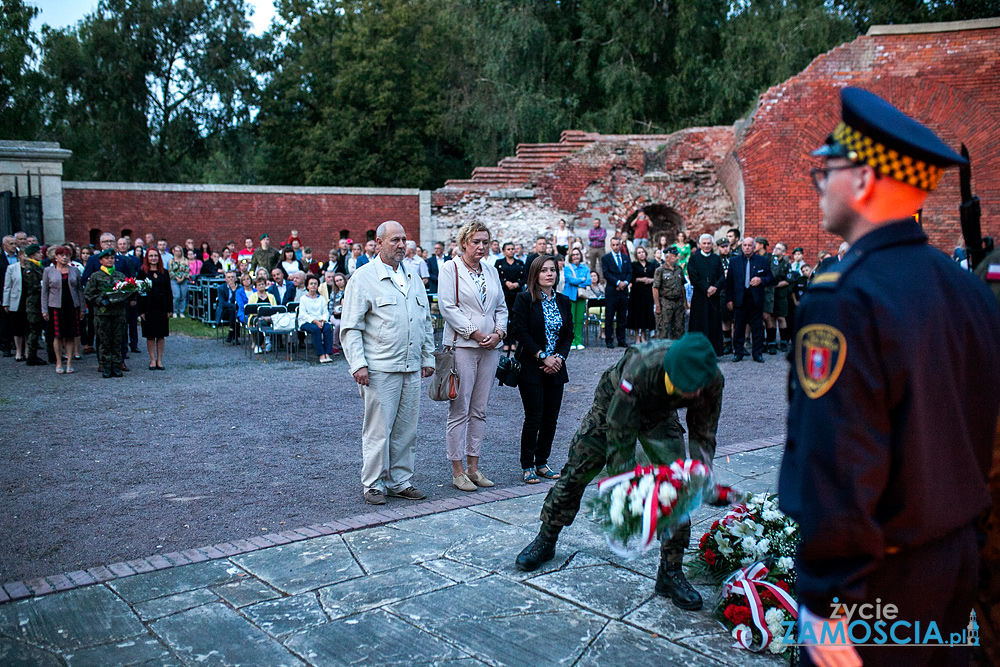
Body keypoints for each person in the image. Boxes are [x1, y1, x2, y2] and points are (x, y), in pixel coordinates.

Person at [779, 87, 1000, 667]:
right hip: (953, 564)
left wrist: (828, 611)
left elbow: (838, 468)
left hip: (878, 586)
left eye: (826, 169)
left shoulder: (845, 298)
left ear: (865, 179)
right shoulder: (971, 292)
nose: (819, 182)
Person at [514, 334, 724, 610]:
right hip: (612, 407)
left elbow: (704, 434)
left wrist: (698, 474)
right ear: (672, 375)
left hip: (661, 417)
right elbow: (619, 433)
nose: (696, 395)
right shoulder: (640, 367)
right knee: (577, 472)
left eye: (699, 388)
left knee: (677, 484)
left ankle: (670, 571)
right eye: (689, 389)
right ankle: (547, 537)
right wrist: (624, 487)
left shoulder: (711, 380)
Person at [340, 220, 435, 506]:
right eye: (394, 240)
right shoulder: (363, 277)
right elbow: (351, 326)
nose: (400, 245)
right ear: (378, 243)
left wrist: (428, 356)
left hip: (411, 366)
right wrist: (358, 364)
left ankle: (400, 481)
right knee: (378, 430)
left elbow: (425, 322)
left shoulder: (414, 277)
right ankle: (373, 484)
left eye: (403, 240)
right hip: (380, 368)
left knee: (407, 429)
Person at [437, 221, 507, 491]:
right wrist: (475, 333)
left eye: (485, 242)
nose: (481, 247)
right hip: (463, 346)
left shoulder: (491, 270)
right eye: (476, 241)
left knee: (480, 409)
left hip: (490, 347)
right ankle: (457, 470)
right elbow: (448, 307)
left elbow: (501, 306)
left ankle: (473, 467)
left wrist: (499, 333)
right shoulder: (450, 269)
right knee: (459, 408)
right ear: (464, 242)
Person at [511, 256, 573, 484]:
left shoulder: (564, 301)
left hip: (557, 367)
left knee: (551, 419)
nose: (550, 274)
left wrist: (558, 358)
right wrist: (543, 356)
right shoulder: (524, 299)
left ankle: (542, 462)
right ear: (535, 274)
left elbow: (568, 334)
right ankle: (527, 464)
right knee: (534, 417)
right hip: (532, 367)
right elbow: (519, 331)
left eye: (553, 270)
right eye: (544, 270)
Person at [725, 236, 772, 362]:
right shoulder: (734, 261)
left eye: (750, 245)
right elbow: (729, 282)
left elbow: (771, 278)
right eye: (745, 245)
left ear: (754, 247)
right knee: (739, 327)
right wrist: (729, 299)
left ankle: (757, 354)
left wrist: (761, 280)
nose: (747, 247)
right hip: (739, 299)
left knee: (757, 328)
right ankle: (738, 352)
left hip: (755, 300)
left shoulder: (762, 261)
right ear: (742, 247)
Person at [84, 249, 129, 378]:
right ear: (101, 261)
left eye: (112, 258)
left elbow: (126, 290)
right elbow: (88, 293)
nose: (110, 260)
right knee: (104, 340)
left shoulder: (120, 275)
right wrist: (99, 300)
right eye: (107, 258)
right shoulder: (96, 276)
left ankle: (116, 365)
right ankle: (106, 366)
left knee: (117, 340)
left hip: (118, 312)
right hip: (102, 313)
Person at [41, 246, 84, 374]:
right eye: (62, 255)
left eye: (67, 255)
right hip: (55, 306)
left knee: (70, 335)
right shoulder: (48, 271)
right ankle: (59, 361)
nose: (64, 258)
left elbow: (80, 291)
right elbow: (44, 292)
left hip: (71, 305)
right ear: (56, 257)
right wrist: (44, 309)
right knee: (57, 336)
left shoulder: (75, 271)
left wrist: (82, 307)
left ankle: (70, 363)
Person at [686, 233, 725, 355]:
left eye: (709, 243)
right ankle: (697, 352)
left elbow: (721, 276)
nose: (707, 246)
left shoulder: (716, 259)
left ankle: (713, 352)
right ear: (699, 245)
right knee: (699, 324)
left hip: (714, 297)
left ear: (712, 245)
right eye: (704, 243)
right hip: (700, 296)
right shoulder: (694, 259)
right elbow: (693, 276)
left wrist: (714, 288)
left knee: (713, 324)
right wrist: (706, 288)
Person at [137, 247, 171, 370]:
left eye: (155, 256)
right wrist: (140, 311)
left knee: (161, 335)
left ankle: (160, 360)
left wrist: (169, 309)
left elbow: (168, 291)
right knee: (150, 335)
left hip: (161, 307)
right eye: (150, 256)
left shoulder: (164, 272)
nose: (153, 258)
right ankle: (152, 359)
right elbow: (139, 292)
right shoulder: (142, 273)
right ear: (147, 258)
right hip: (148, 308)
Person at [17, 244, 46, 366]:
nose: (41, 254)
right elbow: (32, 285)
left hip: (39, 300)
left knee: (38, 328)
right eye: (38, 253)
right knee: (34, 329)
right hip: (34, 302)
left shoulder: (38, 266)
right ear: (33, 254)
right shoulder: (30, 267)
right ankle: (31, 355)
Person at [600, 237, 631, 348]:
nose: (616, 247)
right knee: (609, 317)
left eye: (618, 244)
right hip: (612, 291)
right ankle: (609, 340)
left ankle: (621, 339)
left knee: (622, 317)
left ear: (620, 245)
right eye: (613, 245)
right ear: (611, 245)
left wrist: (625, 283)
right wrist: (618, 283)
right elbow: (606, 273)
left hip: (623, 292)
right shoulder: (606, 258)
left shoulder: (625, 257)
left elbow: (629, 272)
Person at [495, 242, 525, 351]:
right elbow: (496, 276)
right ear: (504, 251)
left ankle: (513, 342)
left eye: (512, 249)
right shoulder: (499, 263)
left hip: (516, 294)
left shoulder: (520, 263)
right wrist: (505, 282)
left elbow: (525, 277)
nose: (511, 251)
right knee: (504, 317)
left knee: (515, 318)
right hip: (504, 293)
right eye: (508, 249)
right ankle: (505, 341)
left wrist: (518, 284)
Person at [298, 274, 335, 363]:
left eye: (315, 283)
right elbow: (303, 314)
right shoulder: (303, 299)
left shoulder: (321, 299)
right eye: (311, 284)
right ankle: (321, 354)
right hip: (307, 322)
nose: (313, 285)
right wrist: (314, 321)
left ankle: (328, 353)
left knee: (327, 328)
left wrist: (322, 320)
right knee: (316, 329)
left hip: (321, 321)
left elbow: (325, 312)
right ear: (307, 286)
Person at [653, 246, 686, 340]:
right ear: (667, 257)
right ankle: (662, 353)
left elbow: (682, 285)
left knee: (679, 328)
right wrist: (657, 305)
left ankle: (677, 351)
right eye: (674, 256)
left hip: (678, 302)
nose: (677, 258)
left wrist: (685, 301)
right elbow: (655, 288)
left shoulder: (679, 269)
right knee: (663, 329)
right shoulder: (660, 270)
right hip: (665, 302)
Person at [561, 248, 590, 351]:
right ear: (570, 257)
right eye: (573, 255)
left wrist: (578, 281)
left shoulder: (585, 268)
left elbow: (589, 281)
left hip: (581, 297)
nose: (575, 256)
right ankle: (571, 341)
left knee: (579, 320)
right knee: (571, 320)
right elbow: (570, 280)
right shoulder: (567, 268)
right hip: (570, 296)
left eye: (577, 254)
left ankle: (579, 341)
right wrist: (582, 279)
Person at [626, 245, 657, 344]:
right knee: (636, 314)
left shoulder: (651, 265)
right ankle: (637, 337)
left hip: (647, 292)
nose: (641, 254)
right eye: (639, 252)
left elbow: (656, 277)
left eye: (642, 252)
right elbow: (630, 278)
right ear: (636, 255)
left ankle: (643, 336)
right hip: (636, 293)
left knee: (645, 314)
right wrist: (640, 279)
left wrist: (650, 280)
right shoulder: (633, 265)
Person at [767, 242, 792, 353]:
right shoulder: (770, 261)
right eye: (775, 248)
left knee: (781, 318)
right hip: (770, 295)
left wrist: (774, 285)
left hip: (781, 294)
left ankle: (783, 341)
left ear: (783, 252)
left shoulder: (786, 264)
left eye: (779, 249)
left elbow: (788, 280)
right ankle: (771, 341)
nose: (775, 250)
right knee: (771, 318)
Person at [247, 276, 277, 354]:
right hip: (255, 316)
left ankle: (265, 341)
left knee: (269, 322)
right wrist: (262, 317)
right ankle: (260, 344)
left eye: (262, 284)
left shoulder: (271, 296)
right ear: (256, 286)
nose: (261, 286)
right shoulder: (253, 296)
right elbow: (250, 309)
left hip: (269, 317)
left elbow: (274, 309)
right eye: (259, 285)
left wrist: (269, 317)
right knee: (260, 323)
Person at [0, 235, 17, 357]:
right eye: (11, 244)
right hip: (3, 293)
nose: (14, 246)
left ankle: (17, 344)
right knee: (4, 321)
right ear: (4, 246)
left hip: (17, 293)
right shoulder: (1, 259)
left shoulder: (19, 258)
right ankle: (5, 345)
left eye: (14, 243)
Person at [716, 238, 734, 354]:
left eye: (726, 246)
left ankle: (737, 343)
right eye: (722, 247)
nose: (725, 248)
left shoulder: (735, 258)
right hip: (722, 291)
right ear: (718, 247)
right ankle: (727, 343)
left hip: (734, 291)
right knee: (726, 319)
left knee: (737, 319)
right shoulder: (716, 260)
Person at [215, 270, 240, 343]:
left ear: (235, 278)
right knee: (234, 309)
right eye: (229, 277)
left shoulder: (239, 288)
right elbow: (222, 303)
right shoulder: (221, 288)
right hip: (224, 311)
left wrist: (234, 290)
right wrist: (233, 306)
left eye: (232, 277)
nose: (231, 279)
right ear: (225, 279)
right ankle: (234, 336)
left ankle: (231, 332)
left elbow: (238, 301)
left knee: (234, 311)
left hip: (235, 311)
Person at [167, 245, 190, 318]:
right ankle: (175, 311)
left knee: (183, 296)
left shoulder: (185, 260)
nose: (177, 252)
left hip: (184, 280)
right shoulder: (171, 261)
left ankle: (181, 311)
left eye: (179, 251)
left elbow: (187, 271)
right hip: (174, 280)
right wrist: (177, 278)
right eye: (176, 251)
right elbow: (170, 271)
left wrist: (182, 278)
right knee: (176, 296)